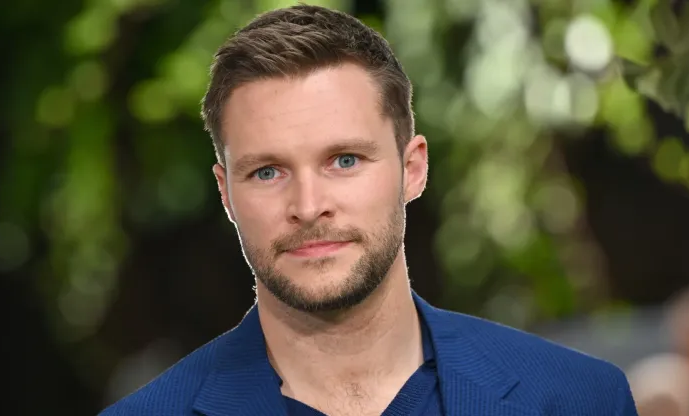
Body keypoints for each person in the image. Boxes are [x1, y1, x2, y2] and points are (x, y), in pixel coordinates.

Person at [99, 4, 637, 415]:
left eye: (345, 160)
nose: (308, 207)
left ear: (414, 168)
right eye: (268, 172)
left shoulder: (578, 399)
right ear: (225, 193)